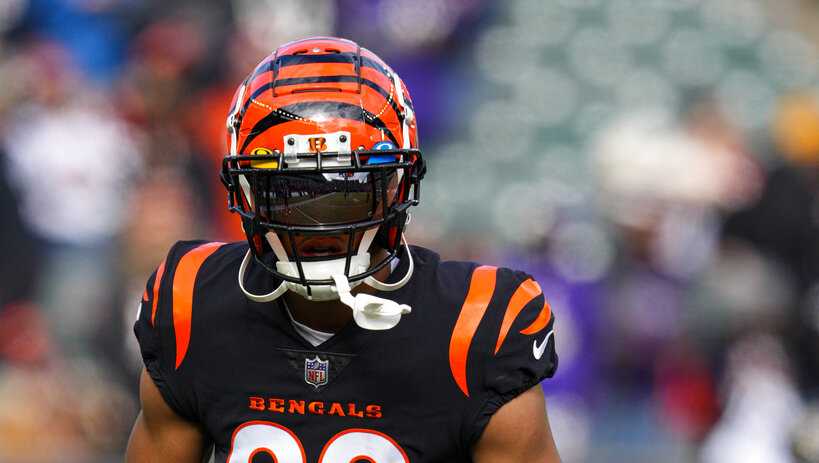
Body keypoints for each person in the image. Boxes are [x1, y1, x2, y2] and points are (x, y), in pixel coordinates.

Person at [125, 36, 560, 463]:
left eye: (348, 191)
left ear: (395, 187)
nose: (323, 225)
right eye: (290, 192)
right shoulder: (191, 304)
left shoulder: (475, 326)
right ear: (247, 193)